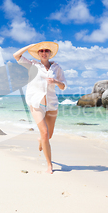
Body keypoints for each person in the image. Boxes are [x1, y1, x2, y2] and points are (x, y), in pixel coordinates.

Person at [13, 42, 67, 174]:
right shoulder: (32, 65)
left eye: (46, 51)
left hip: (52, 104)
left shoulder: (56, 67)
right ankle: (49, 165)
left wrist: (56, 82)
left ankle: (41, 140)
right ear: (38, 54)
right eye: (41, 51)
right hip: (36, 103)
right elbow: (16, 55)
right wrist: (31, 45)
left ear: (50, 53)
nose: (44, 53)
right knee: (44, 132)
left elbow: (63, 86)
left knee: (49, 134)